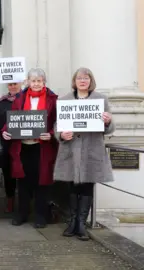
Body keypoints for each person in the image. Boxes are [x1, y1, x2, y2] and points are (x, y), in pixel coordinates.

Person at [54, 67, 115, 241]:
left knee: (87, 185)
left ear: (91, 81)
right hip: (71, 148)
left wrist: (108, 121)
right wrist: (61, 134)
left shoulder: (101, 100)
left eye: (86, 78)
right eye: (79, 78)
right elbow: (58, 125)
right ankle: (72, 221)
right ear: (74, 81)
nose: (83, 81)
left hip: (91, 148)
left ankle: (81, 223)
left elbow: (108, 127)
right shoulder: (64, 99)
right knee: (72, 185)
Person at [2, 68, 58, 228]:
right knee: (23, 181)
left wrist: (52, 133)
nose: (36, 84)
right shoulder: (19, 99)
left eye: (39, 81)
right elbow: (12, 119)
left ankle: (40, 216)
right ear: (28, 82)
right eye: (33, 81)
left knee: (42, 182)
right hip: (22, 146)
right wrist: (5, 131)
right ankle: (22, 214)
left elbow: (57, 121)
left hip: (42, 147)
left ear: (44, 83)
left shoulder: (52, 99)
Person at [0, 82, 22, 213]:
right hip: (7, 144)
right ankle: (10, 200)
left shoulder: (27, 99)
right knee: (8, 174)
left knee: (24, 174)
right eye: (10, 84)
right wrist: (1, 133)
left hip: (23, 143)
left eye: (15, 84)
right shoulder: (0, 104)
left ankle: (25, 202)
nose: (13, 86)